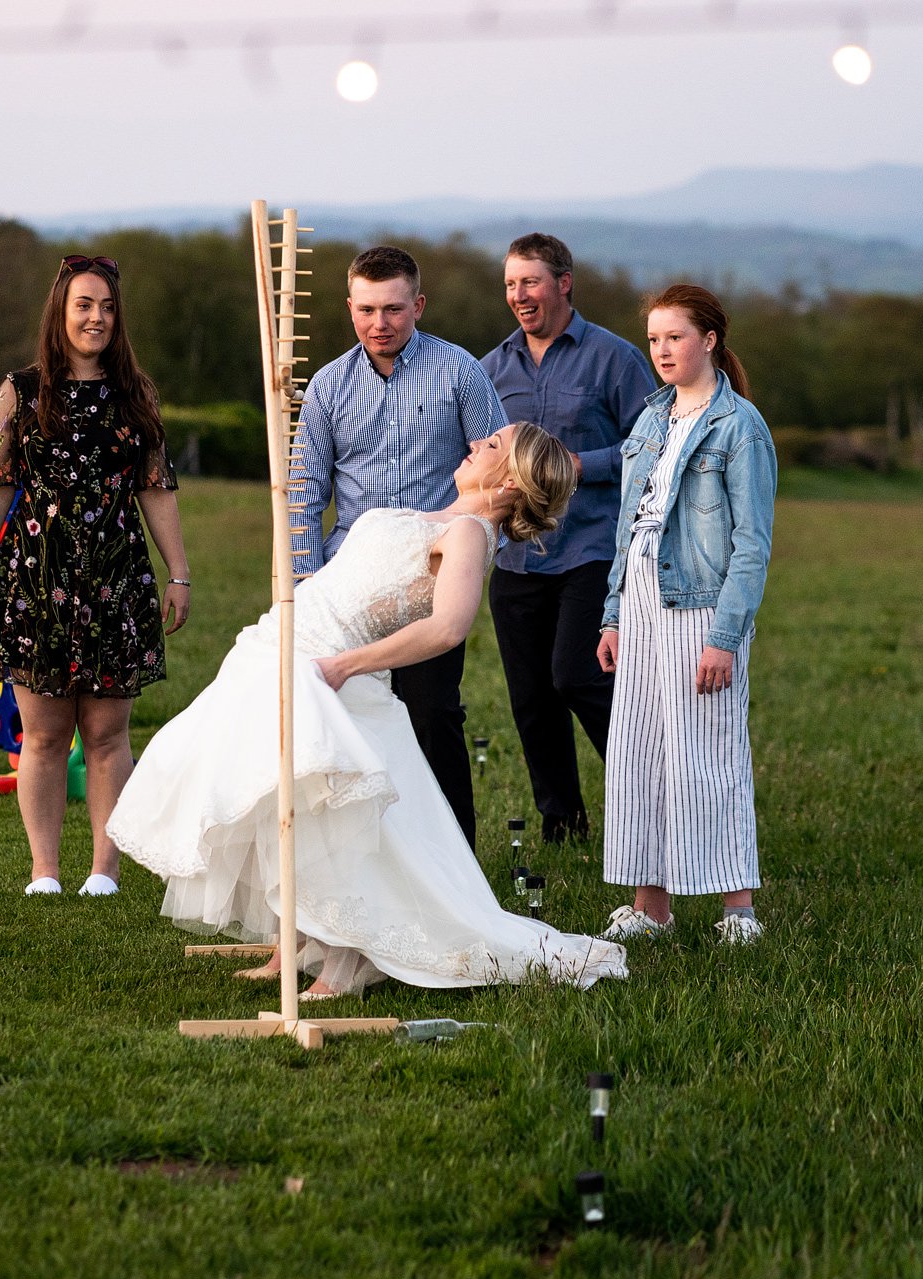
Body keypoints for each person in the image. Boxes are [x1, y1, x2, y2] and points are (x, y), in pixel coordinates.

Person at [108, 424, 627, 998]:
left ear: (509, 479)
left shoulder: (471, 535)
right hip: (290, 639)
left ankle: (343, 964)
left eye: (493, 445)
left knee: (326, 819)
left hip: (329, 668)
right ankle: (295, 940)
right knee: (271, 792)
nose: (477, 443)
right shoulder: (437, 518)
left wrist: (345, 666)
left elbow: (448, 627)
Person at [0, 254, 191, 897]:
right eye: (84, 305)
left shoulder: (135, 393)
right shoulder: (21, 391)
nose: (97, 317)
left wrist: (179, 572)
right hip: (37, 581)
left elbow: (157, 488)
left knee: (110, 735)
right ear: (60, 312)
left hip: (116, 581)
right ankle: (45, 873)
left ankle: (104, 873)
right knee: (45, 736)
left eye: (108, 307)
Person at [290, 245, 509, 847]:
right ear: (349, 308)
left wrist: (479, 555)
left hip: (429, 580)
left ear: (418, 304)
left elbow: (500, 470)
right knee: (352, 727)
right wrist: (304, 579)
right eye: (365, 310)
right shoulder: (328, 387)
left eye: (392, 309)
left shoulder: (460, 371)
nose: (378, 324)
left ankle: (455, 862)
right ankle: (365, 861)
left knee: (432, 718)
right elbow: (305, 490)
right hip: (351, 581)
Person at [595, 284, 776, 945]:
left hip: (702, 607)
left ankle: (739, 914)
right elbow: (627, 527)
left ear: (709, 341)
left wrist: (724, 638)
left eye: (676, 337)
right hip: (641, 600)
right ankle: (652, 910)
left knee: (708, 751)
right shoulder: (649, 419)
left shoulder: (739, 426)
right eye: (654, 339)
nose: (663, 350)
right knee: (641, 748)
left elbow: (752, 546)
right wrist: (612, 614)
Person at [480, 233, 654, 847]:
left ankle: (645, 793)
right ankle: (563, 820)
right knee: (531, 698)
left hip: (593, 549)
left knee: (576, 676)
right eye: (509, 284)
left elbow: (651, 446)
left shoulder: (615, 359)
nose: (519, 295)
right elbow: (476, 454)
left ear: (563, 283)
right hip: (518, 557)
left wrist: (584, 466)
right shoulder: (491, 369)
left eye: (530, 282)